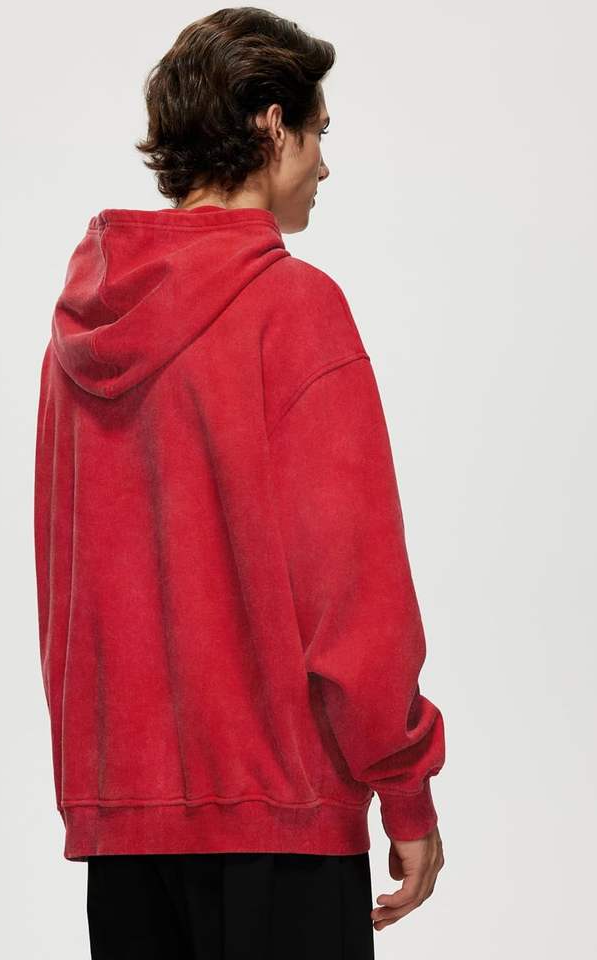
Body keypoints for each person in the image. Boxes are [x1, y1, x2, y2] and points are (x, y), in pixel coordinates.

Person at [34, 7, 446, 958]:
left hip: (125, 829)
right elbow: (352, 589)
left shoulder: (80, 331)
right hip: (280, 823)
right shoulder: (292, 307)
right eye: (319, 134)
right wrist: (405, 788)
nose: (324, 166)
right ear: (270, 125)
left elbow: (66, 583)